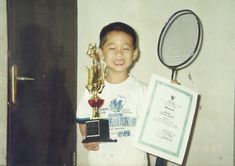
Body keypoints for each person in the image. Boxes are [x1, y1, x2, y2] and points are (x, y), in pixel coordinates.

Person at [76, 22, 148, 166]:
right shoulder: (93, 89)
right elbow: (83, 118)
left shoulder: (143, 91)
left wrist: (169, 94)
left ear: (135, 53)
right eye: (112, 48)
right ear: (101, 53)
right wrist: (88, 138)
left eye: (126, 48)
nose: (119, 53)